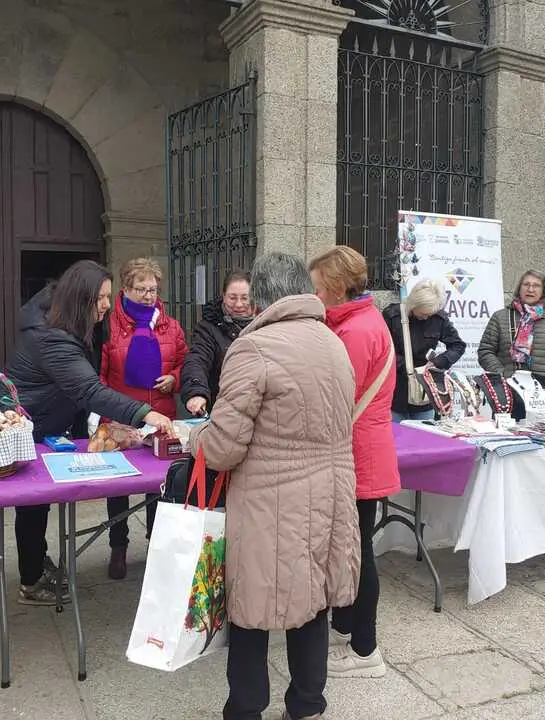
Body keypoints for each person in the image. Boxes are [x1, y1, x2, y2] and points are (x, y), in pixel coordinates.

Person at [190, 252, 360, 720]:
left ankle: (245, 709)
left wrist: (194, 436)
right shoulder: (332, 342)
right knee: (312, 604)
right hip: (330, 493)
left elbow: (222, 448)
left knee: (253, 606)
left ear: (261, 296)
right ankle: (307, 705)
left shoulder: (253, 348)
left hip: (272, 501)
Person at [4, 260, 173, 605]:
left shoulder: (63, 318)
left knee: (39, 504)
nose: (107, 305)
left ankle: (36, 563)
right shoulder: (51, 337)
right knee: (33, 504)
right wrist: (146, 413)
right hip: (34, 427)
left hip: (51, 424)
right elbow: (89, 389)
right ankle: (31, 581)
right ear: (81, 297)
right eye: (102, 297)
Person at [308, 245, 400, 680]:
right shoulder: (357, 322)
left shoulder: (357, 331)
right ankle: (346, 626)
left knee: (359, 552)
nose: (314, 293)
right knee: (353, 546)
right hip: (364, 447)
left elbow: (335, 398)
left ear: (337, 287)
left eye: (318, 286)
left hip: (357, 452)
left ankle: (366, 650)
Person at [101, 257, 188, 579]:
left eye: (153, 290)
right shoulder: (107, 326)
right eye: (141, 289)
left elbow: (183, 360)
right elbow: (97, 375)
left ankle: (155, 547)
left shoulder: (169, 324)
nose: (149, 296)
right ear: (126, 289)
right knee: (118, 488)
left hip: (160, 416)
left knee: (158, 488)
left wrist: (174, 379)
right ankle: (118, 547)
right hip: (120, 417)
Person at [383, 278, 466, 422]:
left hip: (425, 394)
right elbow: (382, 350)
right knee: (396, 440)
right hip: (396, 392)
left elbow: (458, 346)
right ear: (414, 303)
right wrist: (406, 367)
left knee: (422, 439)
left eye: (430, 314)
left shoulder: (438, 318)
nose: (426, 317)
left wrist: (438, 362)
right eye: (423, 313)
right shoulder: (392, 315)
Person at [180, 269, 254, 417]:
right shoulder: (208, 328)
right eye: (232, 297)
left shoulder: (266, 324)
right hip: (223, 409)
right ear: (223, 296)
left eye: (245, 298)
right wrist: (196, 392)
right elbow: (197, 359)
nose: (239, 304)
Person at [477, 269, 545, 378]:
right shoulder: (500, 317)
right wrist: (502, 375)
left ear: (544, 291)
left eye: (536, 285)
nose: (530, 289)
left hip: (544, 386)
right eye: (526, 284)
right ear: (519, 288)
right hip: (508, 386)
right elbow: (485, 351)